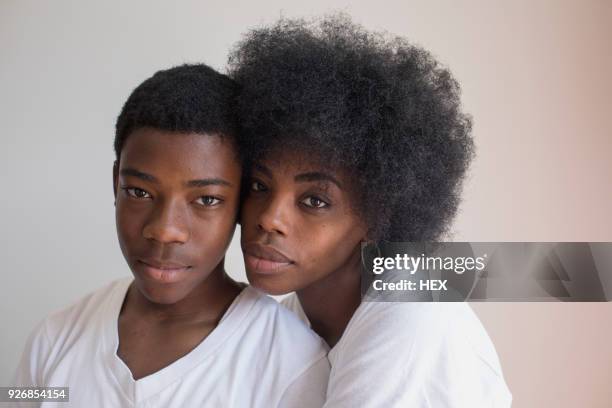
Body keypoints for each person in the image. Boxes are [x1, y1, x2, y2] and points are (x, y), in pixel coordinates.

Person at [230, 15, 512, 407]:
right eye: (260, 186)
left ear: (377, 216)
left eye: (315, 201)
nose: (269, 218)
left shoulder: (412, 311)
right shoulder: (293, 319)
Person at [11, 64, 329, 407]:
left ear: (240, 203)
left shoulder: (294, 365)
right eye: (139, 192)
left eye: (206, 199)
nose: (164, 230)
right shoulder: (54, 339)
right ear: (116, 181)